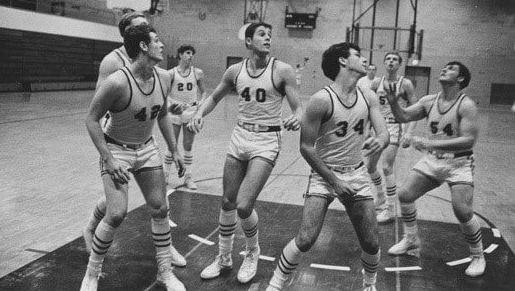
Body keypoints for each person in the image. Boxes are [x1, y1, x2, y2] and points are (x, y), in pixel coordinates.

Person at [265, 42, 389, 291]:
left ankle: (369, 285)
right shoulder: (321, 99)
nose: (363, 59)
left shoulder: (369, 96)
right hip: (325, 176)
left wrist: (380, 141)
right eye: (357, 55)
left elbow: (384, 132)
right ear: (343, 62)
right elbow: (306, 147)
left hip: (356, 173)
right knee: (306, 238)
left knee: (372, 242)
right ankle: (276, 283)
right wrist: (334, 181)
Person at [188, 22, 302, 284]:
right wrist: (198, 113)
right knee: (227, 201)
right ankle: (224, 257)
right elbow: (215, 97)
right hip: (240, 136)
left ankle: (252, 252)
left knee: (243, 204)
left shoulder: (282, 70)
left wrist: (297, 117)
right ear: (248, 42)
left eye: (269, 35)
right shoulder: (235, 70)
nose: (268, 38)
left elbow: (299, 108)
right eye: (261, 34)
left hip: (266, 140)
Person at [79, 24, 185, 291]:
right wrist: (109, 159)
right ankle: (92, 273)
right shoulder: (117, 81)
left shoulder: (163, 77)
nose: (162, 45)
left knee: (160, 207)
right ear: (143, 46)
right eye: (157, 41)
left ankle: (165, 272)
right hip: (116, 149)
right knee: (116, 214)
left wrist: (174, 149)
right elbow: (91, 120)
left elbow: (161, 113)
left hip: (147, 148)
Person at [385, 61, 485, 277]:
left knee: (463, 210)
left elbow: (468, 140)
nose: (444, 69)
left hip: (459, 163)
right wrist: (394, 102)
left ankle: (477, 254)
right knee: (405, 194)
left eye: (451, 68)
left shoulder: (466, 105)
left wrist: (430, 143)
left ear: (460, 79)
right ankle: (411, 239)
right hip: (433, 160)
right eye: (445, 67)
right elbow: (403, 116)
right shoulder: (429, 101)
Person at [367, 52, 417, 223]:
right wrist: (367, 128)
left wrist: (409, 132)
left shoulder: (406, 84)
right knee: (370, 166)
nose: (391, 62)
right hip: (378, 126)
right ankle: (380, 196)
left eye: (394, 59)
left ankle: (390, 209)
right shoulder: (376, 83)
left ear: (399, 64)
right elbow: (369, 106)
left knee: (387, 167)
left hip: (395, 126)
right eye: (388, 59)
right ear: (384, 62)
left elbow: (415, 109)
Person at [163, 44, 207, 190]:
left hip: (190, 112)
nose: (191, 56)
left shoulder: (197, 72)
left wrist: (200, 105)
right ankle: (165, 176)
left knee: (188, 145)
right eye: (188, 53)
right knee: (172, 145)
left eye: (192, 54)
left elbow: (204, 92)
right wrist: (171, 105)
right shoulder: (171, 73)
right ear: (180, 55)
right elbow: (165, 94)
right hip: (175, 112)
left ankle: (188, 177)